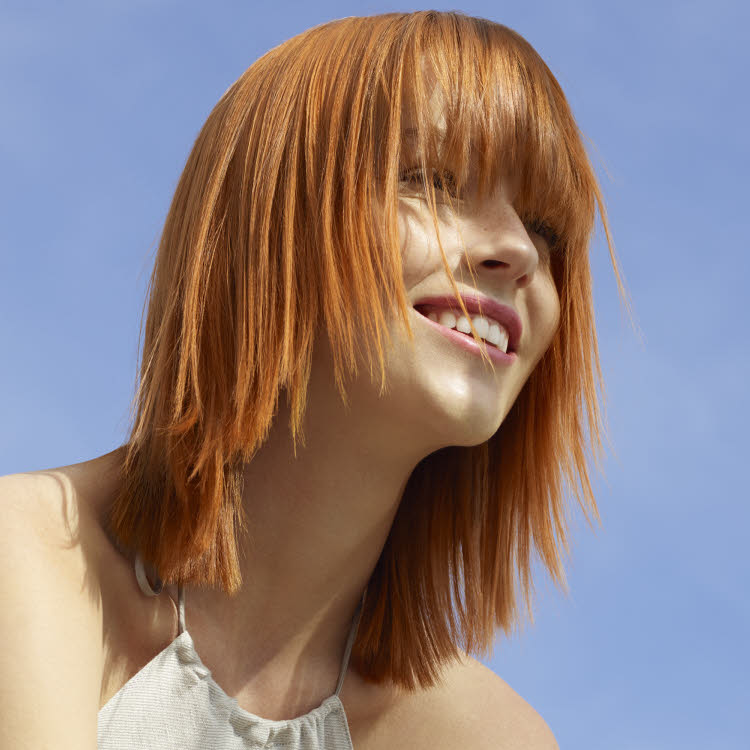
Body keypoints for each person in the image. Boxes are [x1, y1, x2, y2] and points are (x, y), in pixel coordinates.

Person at [0, 10, 630, 749]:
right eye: (432, 181)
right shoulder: (29, 557)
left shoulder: (489, 734)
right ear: (268, 215)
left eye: (547, 230)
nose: (518, 250)